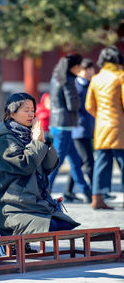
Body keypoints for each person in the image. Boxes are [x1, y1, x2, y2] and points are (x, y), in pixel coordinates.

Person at [0, 93, 80, 254]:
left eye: (33, 110)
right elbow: (24, 165)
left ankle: (20, 240)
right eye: (26, 110)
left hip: (35, 204)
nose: (31, 114)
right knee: (51, 227)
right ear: (12, 113)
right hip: (13, 207)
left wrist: (43, 141)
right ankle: (5, 236)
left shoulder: (30, 134)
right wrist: (37, 143)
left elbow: (49, 166)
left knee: (63, 225)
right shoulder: (6, 140)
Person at [49, 54, 92, 203]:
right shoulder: (68, 81)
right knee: (57, 162)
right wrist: (81, 101)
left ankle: (87, 191)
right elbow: (72, 105)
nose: (80, 69)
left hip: (57, 123)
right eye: (79, 66)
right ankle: (44, 190)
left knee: (75, 160)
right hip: (65, 125)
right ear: (73, 67)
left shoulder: (56, 78)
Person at [85, 46, 124, 209]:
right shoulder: (121, 76)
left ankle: (97, 199)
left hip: (101, 126)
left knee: (101, 163)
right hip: (119, 127)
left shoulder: (96, 79)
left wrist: (101, 116)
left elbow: (89, 105)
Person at [64, 58, 95, 202]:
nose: (91, 72)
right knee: (88, 161)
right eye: (87, 69)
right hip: (78, 130)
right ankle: (95, 192)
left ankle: (68, 191)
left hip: (89, 128)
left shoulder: (91, 85)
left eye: (91, 69)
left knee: (79, 162)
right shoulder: (74, 85)